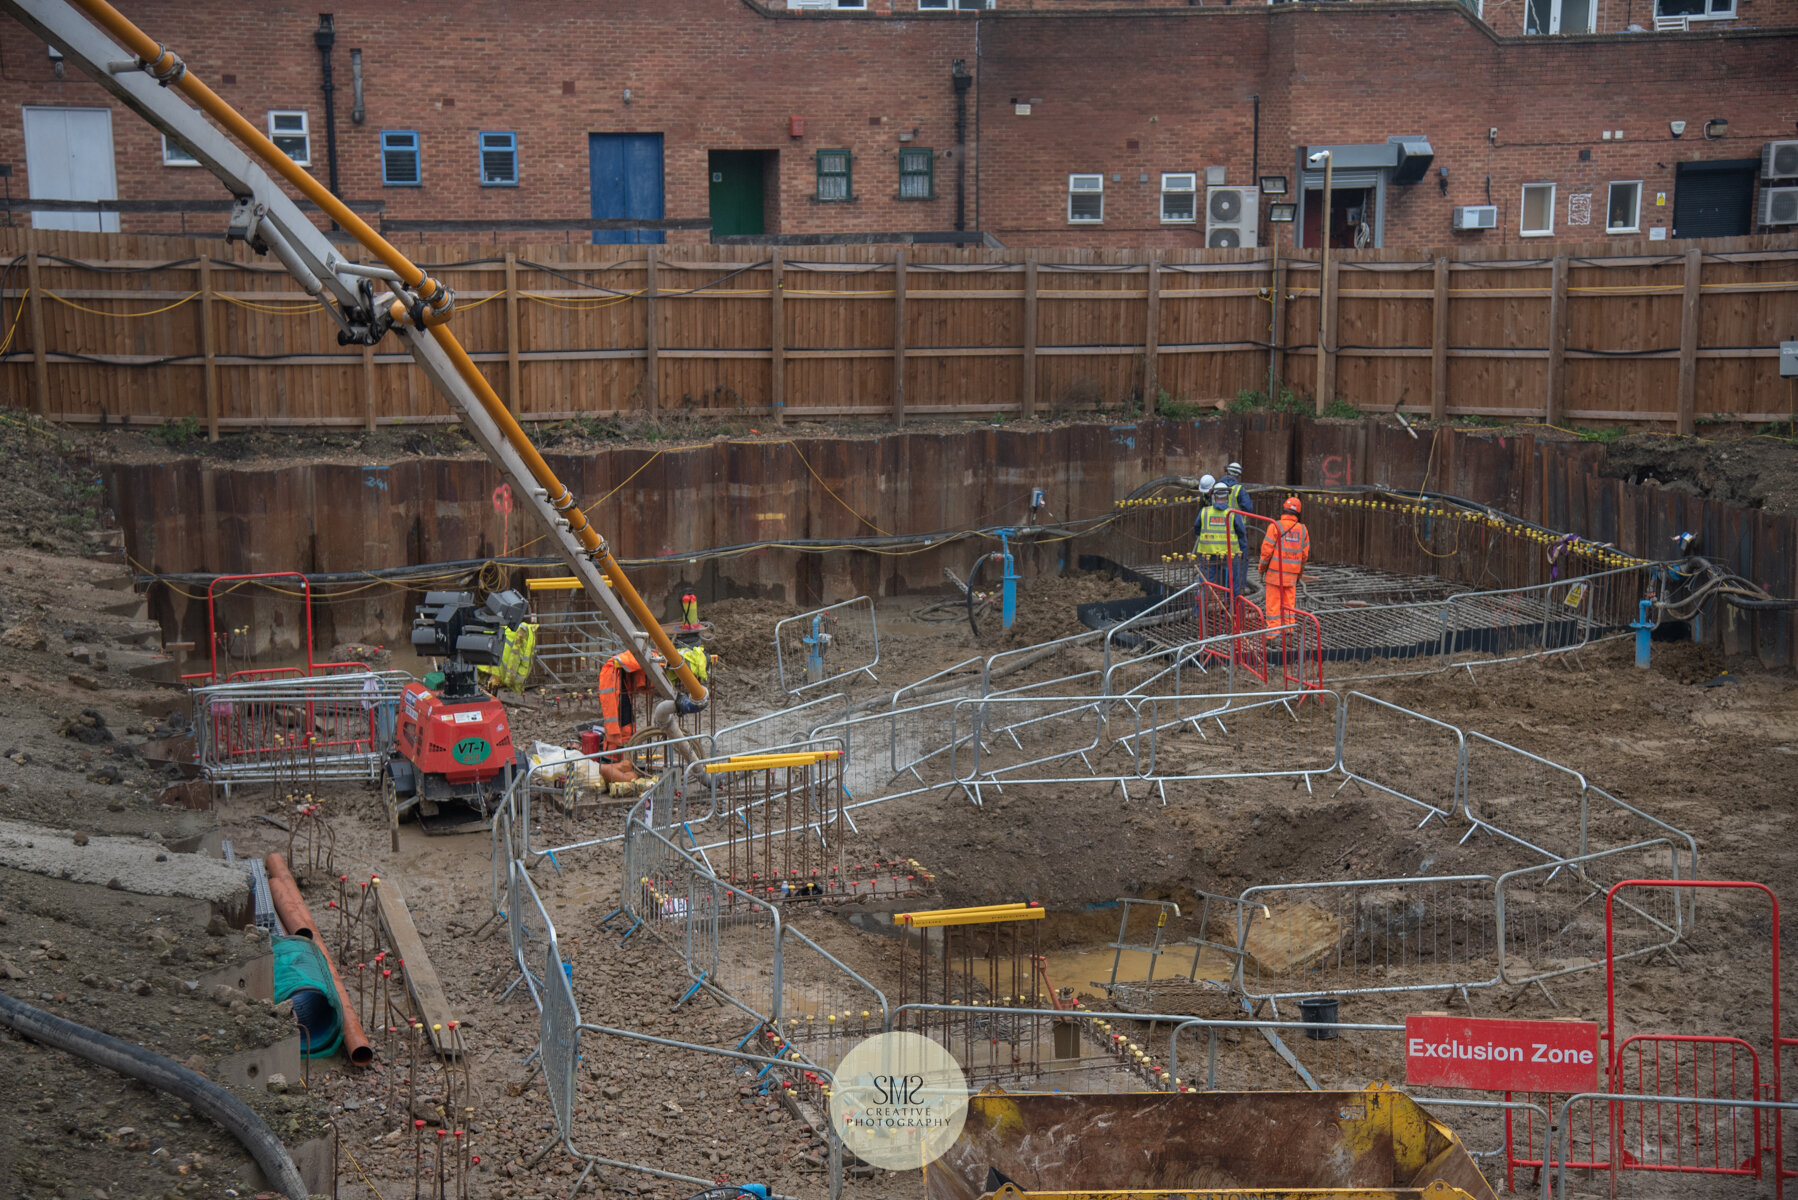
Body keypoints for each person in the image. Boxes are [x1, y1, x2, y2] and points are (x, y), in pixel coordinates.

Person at [1258, 496, 1311, 623]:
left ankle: (1274, 634)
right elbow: (1304, 556)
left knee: (1273, 606)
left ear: (1284, 510)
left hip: (1274, 575)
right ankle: (1289, 632)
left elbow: (1266, 552)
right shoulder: (1303, 530)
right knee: (1289, 607)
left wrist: (1261, 569)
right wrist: (1299, 574)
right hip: (1292, 576)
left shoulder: (1274, 526)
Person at [1193, 483, 1244, 595]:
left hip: (1208, 554)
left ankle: (1199, 610)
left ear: (1213, 496)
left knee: (1205, 584)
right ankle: (1231, 609)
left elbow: (1196, 529)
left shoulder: (1204, 512)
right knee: (1230, 583)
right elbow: (1241, 532)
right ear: (1227, 496)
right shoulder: (1233, 513)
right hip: (1229, 554)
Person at [1220, 460, 1254, 590]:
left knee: (1220, 556)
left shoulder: (1217, 486)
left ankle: (1221, 585)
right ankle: (1238, 586)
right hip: (1236, 529)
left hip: (1217, 528)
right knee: (1240, 557)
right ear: (1238, 475)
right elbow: (1248, 508)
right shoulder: (1239, 489)